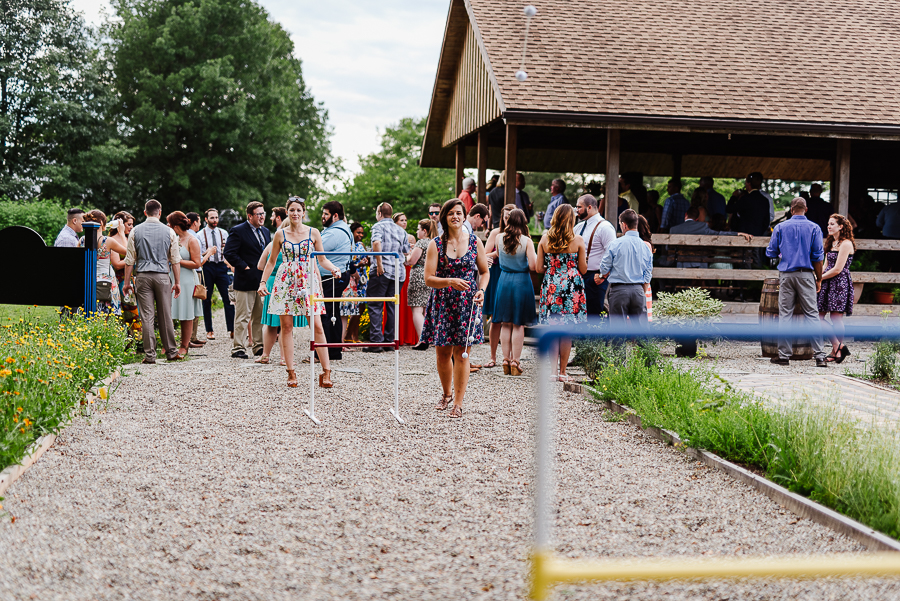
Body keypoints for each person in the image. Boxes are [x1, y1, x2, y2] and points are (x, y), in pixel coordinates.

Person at [259, 197, 341, 388]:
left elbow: (322, 260)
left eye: (298, 210)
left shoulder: (314, 232)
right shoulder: (280, 234)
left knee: (318, 326)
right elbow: (271, 262)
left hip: (308, 281)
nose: (295, 213)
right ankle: (291, 372)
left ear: (303, 212)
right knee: (286, 327)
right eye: (292, 210)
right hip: (285, 281)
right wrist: (263, 282)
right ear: (287, 212)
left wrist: (334, 268)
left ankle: (326, 372)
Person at [421, 198, 490, 418]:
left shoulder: (474, 242)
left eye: (459, 213)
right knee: (443, 354)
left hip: (467, 305)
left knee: (462, 354)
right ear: (445, 217)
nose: (455, 216)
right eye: (451, 213)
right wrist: (450, 281)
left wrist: (482, 290)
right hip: (443, 302)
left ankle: (458, 403)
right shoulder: (436, 244)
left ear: (464, 215)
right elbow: (428, 279)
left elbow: (485, 272)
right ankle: (446, 393)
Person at [765, 197, 827, 367]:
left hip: (786, 274)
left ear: (791, 210)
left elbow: (770, 252)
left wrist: (782, 252)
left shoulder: (780, 227)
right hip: (806, 275)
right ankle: (820, 356)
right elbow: (818, 257)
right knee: (812, 315)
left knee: (785, 315)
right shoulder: (815, 228)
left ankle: (784, 356)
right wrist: (819, 278)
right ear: (805, 209)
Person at [122, 199, 183, 364]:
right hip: (162, 275)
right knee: (165, 314)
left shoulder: (135, 230)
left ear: (144, 212)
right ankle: (171, 351)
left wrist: (127, 283)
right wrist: (177, 282)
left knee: (147, 316)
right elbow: (175, 259)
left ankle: (150, 355)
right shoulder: (169, 232)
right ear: (160, 212)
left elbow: (129, 260)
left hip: (142, 275)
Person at [537, 204, 587, 382]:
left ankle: (552, 371)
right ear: (571, 219)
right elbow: (583, 268)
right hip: (572, 286)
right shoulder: (578, 240)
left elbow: (538, 268)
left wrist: (553, 268)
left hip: (552, 284)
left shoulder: (544, 239)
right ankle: (563, 372)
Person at [257, 212, 307, 365]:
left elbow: (260, 266)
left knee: (272, 324)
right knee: (286, 327)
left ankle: (265, 355)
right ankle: (284, 358)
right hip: (290, 283)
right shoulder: (297, 245)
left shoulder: (272, 245)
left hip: (272, 282)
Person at [492, 209, 537, 376]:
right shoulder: (526, 241)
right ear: (523, 222)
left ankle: (505, 359)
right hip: (521, 281)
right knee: (518, 323)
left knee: (505, 322)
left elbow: (498, 256)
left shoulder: (498, 238)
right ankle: (515, 362)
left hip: (503, 280)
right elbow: (533, 266)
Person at [223, 202, 271, 359]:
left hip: (261, 281)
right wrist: (244, 267)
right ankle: (238, 348)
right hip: (244, 280)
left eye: (263, 213)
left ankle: (258, 346)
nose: (262, 216)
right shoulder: (238, 231)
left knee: (259, 317)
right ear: (250, 216)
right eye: (259, 214)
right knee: (243, 317)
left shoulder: (265, 231)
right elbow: (229, 253)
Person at [364, 202, 410, 353]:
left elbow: (377, 242)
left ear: (379, 213)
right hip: (398, 273)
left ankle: (376, 343)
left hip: (381, 271)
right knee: (391, 306)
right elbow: (405, 251)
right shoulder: (400, 230)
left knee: (375, 305)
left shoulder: (378, 226)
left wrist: (379, 264)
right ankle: (389, 341)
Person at [167, 211, 214, 357]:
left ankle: (184, 345)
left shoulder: (191, 240)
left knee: (186, 312)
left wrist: (176, 260)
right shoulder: (172, 238)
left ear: (175, 225)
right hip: (172, 277)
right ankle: (169, 344)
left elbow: (197, 263)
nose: (167, 226)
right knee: (169, 311)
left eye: (169, 223)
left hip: (187, 279)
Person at [597, 209, 653, 324]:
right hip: (638, 290)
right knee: (641, 333)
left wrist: (603, 274)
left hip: (619, 290)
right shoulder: (645, 246)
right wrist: (641, 290)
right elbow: (648, 272)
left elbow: (604, 268)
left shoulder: (615, 244)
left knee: (618, 332)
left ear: (624, 225)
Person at [818, 214, 855, 363]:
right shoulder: (831, 242)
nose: (829, 226)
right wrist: (818, 277)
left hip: (839, 283)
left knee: (836, 317)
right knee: (818, 317)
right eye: (828, 224)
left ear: (841, 226)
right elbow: (826, 265)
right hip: (827, 282)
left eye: (832, 224)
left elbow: (838, 269)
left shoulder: (846, 243)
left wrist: (820, 278)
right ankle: (838, 346)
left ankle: (836, 352)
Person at [319, 201, 353, 360]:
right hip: (336, 275)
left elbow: (313, 249)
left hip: (331, 277)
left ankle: (326, 352)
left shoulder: (334, 233)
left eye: (326, 214)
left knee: (326, 314)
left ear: (335, 215)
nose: (323, 217)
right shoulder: (342, 229)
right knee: (333, 312)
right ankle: (333, 351)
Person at [483, 204, 515, 368]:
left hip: (514, 276)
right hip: (497, 274)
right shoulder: (496, 233)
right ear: (502, 218)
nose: (508, 219)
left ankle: (508, 357)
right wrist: (495, 254)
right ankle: (493, 356)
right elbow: (483, 254)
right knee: (495, 319)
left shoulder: (521, 234)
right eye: (505, 216)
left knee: (510, 320)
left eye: (511, 216)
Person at [669, 207, 753, 268]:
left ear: (685, 215)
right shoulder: (703, 226)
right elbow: (718, 234)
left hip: (680, 263)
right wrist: (737, 234)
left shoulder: (673, 229)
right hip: (699, 263)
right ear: (697, 219)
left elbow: (667, 249)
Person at [575, 194, 616, 318]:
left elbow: (613, 254)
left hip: (596, 276)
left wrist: (603, 276)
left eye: (579, 207)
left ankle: (595, 338)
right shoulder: (578, 227)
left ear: (589, 207)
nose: (576, 210)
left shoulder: (605, 227)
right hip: (578, 276)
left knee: (594, 315)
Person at [80, 210, 126, 316]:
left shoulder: (82, 240)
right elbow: (128, 252)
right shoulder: (107, 241)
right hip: (106, 283)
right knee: (107, 316)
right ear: (101, 223)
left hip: (88, 281)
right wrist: (122, 233)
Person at [199, 208, 235, 340]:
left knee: (228, 298)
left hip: (221, 267)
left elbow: (229, 250)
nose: (215, 220)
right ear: (206, 219)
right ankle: (209, 330)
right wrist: (207, 252)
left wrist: (230, 264)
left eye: (216, 217)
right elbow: (198, 254)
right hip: (207, 266)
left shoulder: (224, 233)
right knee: (206, 299)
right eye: (212, 218)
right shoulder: (200, 235)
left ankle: (232, 329)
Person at [407, 219, 438, 350]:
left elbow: (412, 261)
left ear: (424, 231)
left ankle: (422, 339)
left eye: (418, 229)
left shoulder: (422, 242)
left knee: (417, 310)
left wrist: (406, 256)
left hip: (419, 274)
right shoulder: (436, 242)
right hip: (431, 275)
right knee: (427, 309)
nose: (416, 232)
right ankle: (431, 337)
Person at [340, 222, 369, 345]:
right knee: (353, 307)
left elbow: (366, 257)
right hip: (352, 278)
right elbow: (348, 262)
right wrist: (358, 265)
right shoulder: (349, 245)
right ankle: (347, 336)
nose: (360, 235)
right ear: (352, 232)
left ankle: (354, 336)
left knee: (361, 307)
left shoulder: (360, 244)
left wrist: (366, 261)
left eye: (362, 233)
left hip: (362, 278)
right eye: (358, 232)